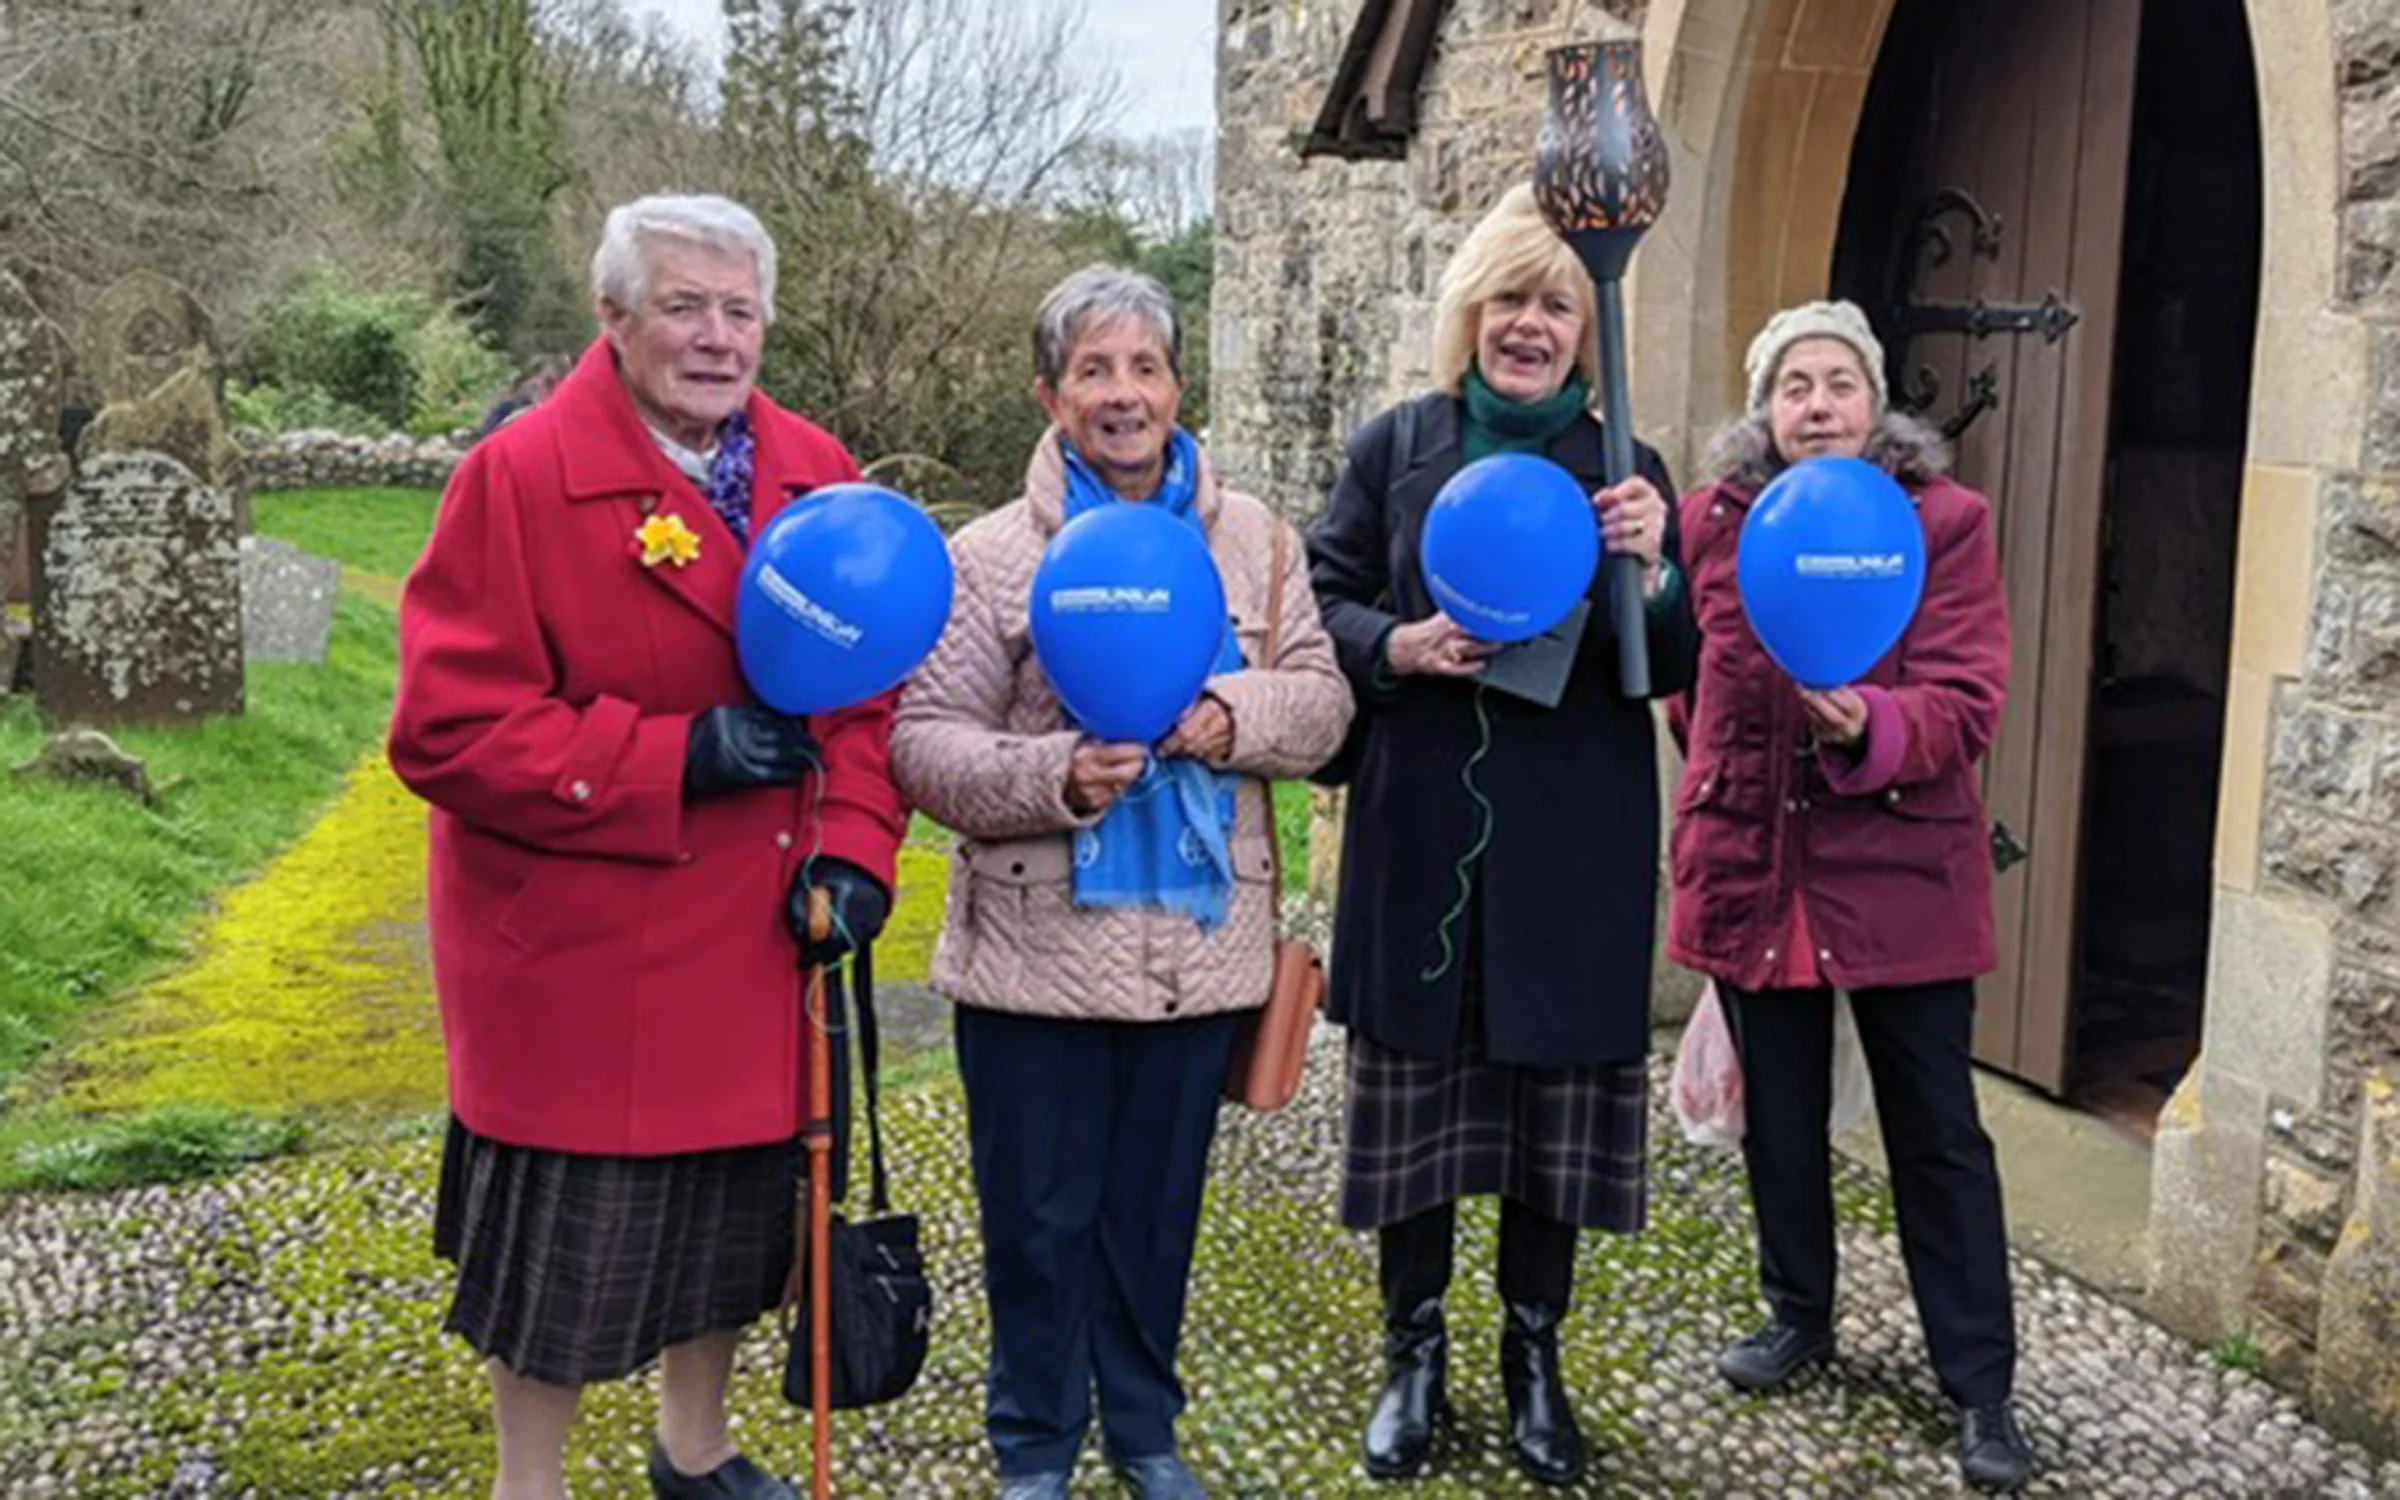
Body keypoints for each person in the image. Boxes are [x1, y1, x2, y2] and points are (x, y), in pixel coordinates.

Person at [390, 193, 906, 1500]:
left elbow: (867, 701)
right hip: (582, 953)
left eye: (741, 310)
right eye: (685, 307)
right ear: (613, 316)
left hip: (758, 940)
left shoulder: (820, 471)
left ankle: (696, 1446)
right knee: (562, 1271)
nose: (718, 337)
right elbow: (447, 730)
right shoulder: (517, 477)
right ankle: (530, 1484)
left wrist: (856, 847)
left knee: (732, 1233)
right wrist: (668, 758)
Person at [892, 264, 1353, 1500]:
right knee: (1039, 1221)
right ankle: (1035, 1443)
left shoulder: (1259, 547)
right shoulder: (988, 558)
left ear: (1178, 387)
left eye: (1144, 367)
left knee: (1155, 1218)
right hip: (1035, 956)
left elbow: (1323, 706)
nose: (1122, 393)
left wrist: (1229, 711)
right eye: (1093, 369)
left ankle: (1145, 1429)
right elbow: (923, 743)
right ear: (1049, 394)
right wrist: (1056, 773)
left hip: (1197, 955)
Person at [1305, 183, 1699, 1488]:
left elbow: (1673, 664)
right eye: (1509, 300)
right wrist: (1399, 645)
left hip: (1571, 848)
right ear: (1470, 314)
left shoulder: (1624, 468)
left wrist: (1660, 569)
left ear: (1589, 332)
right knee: (1416, 1118)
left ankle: (1535, 1356)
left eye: (1558, 305)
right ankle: (1411, 1356)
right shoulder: (1399, 447)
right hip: (1423, 840)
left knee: (1551, 1126)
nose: (1530, 325)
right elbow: (1320, 600)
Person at [1668, 299, 2033, 1492]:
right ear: (1764, 410)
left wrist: (1869, 724)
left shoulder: (1942, 523)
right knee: (1777, 1113)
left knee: (1937, 1132)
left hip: (1902, 868)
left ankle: (1979, 1385)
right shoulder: (1713, 523)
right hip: (1756, 861)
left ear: (1874, 402)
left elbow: (1969, 699)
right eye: (1793, 386)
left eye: (1838, 383)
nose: (1816, 405)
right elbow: (1688, 687)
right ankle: (1799, 1311)